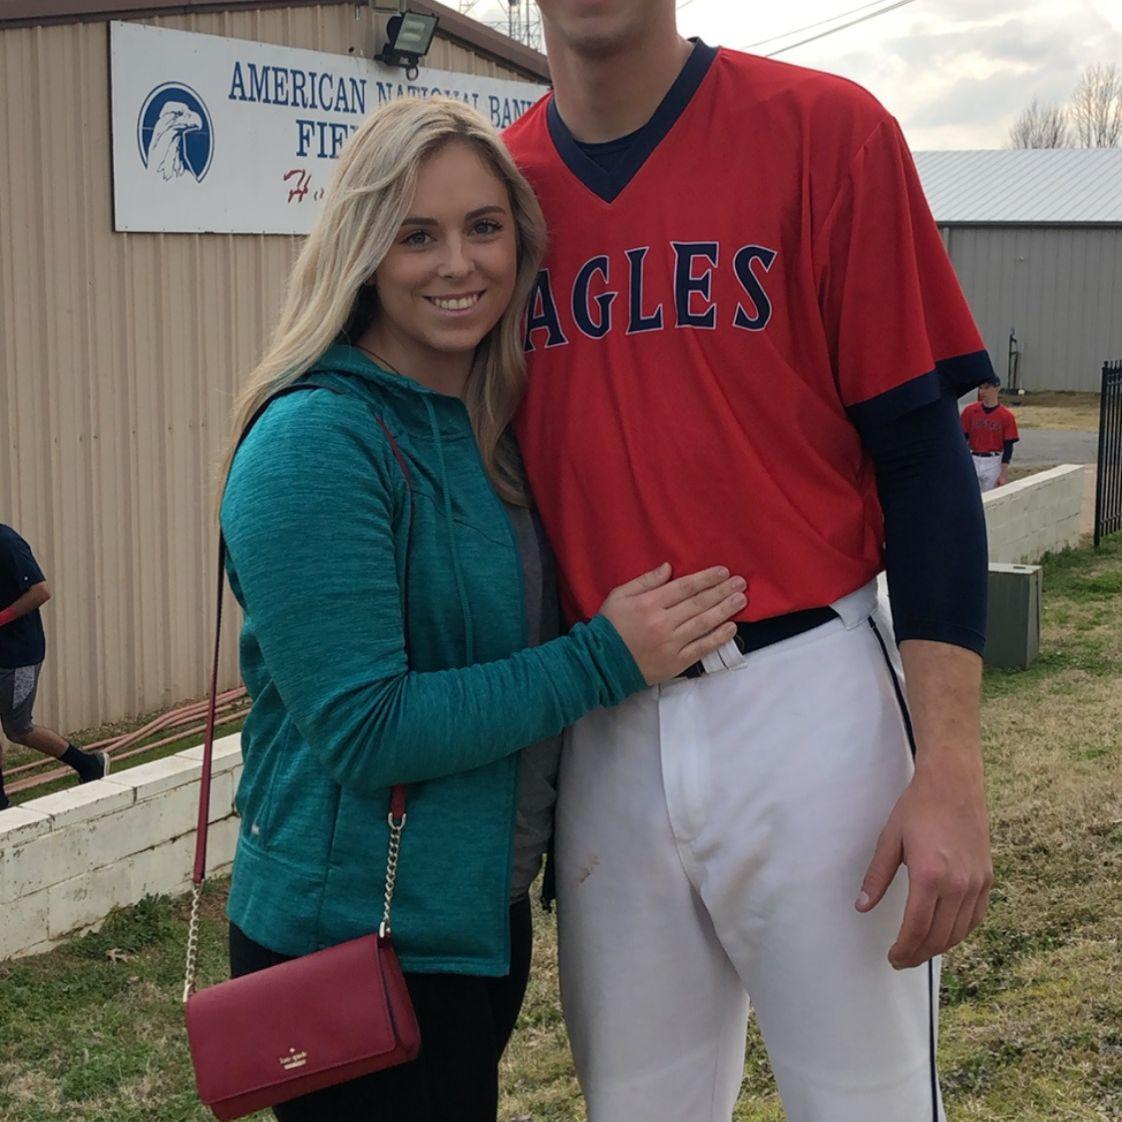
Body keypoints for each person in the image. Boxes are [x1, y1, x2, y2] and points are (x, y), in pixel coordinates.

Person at [503, 5, 995, 1120]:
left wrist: (952, 767)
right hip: (605, 716)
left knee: (867, 1105)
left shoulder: (827, 130)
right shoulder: (497, 198)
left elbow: (923, 459)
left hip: (805, 690)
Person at [216, 96, 745, 1122]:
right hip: (353, 944)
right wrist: (606, 659)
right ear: (364, 252)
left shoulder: (482, 424)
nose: (458, 263)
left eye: (483, 228)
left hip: (466, 926)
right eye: (417, 235)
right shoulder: (316, 442)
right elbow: (368, 728)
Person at [0, 523, 109, 810]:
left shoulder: (8, 543)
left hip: (19, 655)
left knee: (18, 728)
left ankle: (88, 764)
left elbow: (40, 591)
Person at [962, 375, 1020, 491]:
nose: (983, 391)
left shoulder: (1006, 416)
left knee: (990, 497)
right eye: (981, 388)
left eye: (987, 388)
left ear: (997, 388)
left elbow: (1008, 447)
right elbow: (962, 439)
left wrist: (1003, 474)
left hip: (993, 460)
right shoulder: (970, 411)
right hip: (973, 457)